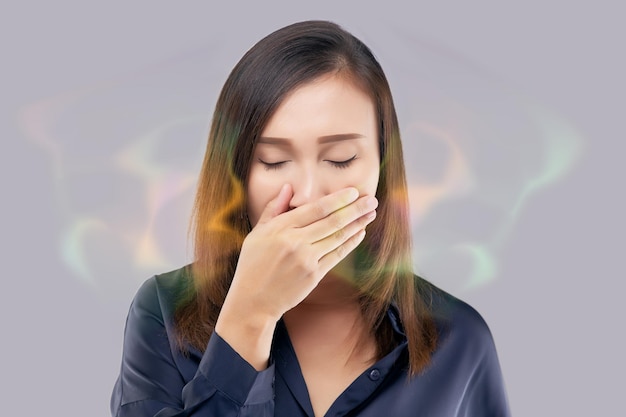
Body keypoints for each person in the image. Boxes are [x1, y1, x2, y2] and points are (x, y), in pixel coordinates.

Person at [110, 20, 510, 417]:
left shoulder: (460, 340)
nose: (307, 195)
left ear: (382, 167)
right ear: (235, 174)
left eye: (341, 160)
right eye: (274, 161)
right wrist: (250, 316)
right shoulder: (163, 314)